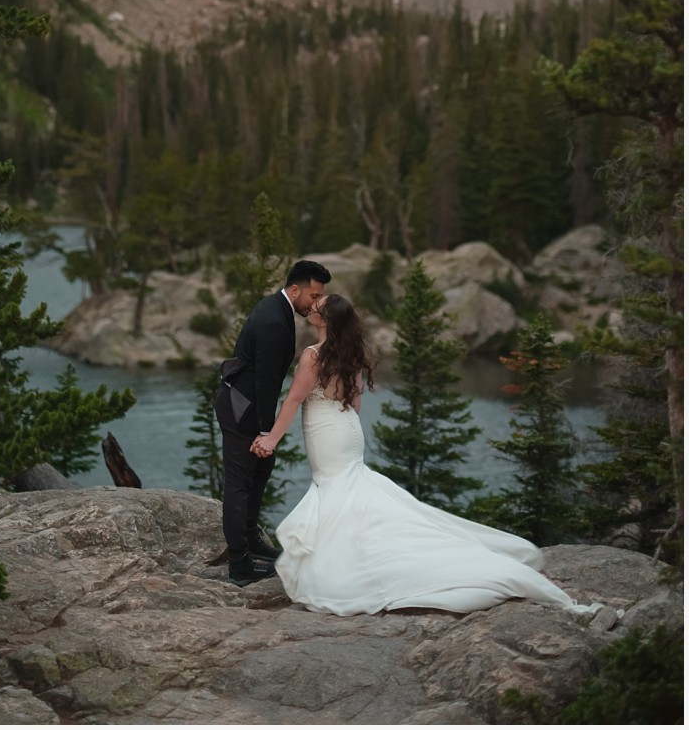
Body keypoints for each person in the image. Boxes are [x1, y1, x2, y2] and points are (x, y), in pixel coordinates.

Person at [251, 293, 603, 617]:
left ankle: (348, 569)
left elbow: (295, 400)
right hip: (346, 429)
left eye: (319, 305)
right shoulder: (350, 354)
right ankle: (355, 557)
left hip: (326, 432)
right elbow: (355, 403)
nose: (312, 307)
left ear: (326, 318)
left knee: (337, 492)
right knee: (349, 491)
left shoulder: (313, 355)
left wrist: (271, 439)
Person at [214, 259, 332, 586]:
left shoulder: (278, 308)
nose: (316, 303)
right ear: (295, 289)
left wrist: (268, 437)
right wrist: (267, 432)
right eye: (312, 295)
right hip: (242, 409)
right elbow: (265, 382)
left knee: (261, 471)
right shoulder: (274, 322)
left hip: (247, 403)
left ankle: (250, 540)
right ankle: (240, 566)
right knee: (238, 485)